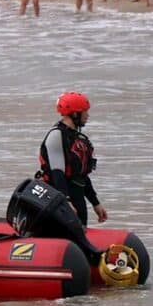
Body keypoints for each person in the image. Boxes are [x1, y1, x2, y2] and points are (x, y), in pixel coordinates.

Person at [38, 92, 108, 227]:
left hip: (77, 198)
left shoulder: (77, 138)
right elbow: (57, 173)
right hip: (59, 199)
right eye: (84, 112)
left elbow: (81, 176)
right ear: (74, 114)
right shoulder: (56, 135)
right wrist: (66, 202)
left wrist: (95, 203)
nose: (87, 115)